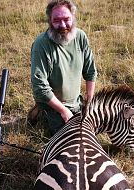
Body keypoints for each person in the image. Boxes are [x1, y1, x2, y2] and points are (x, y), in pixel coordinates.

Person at [28, 0, 97, 135]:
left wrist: (89, 102)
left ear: (73, 17)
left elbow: (90, 72)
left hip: (77, 103)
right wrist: (63, 111)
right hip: (53, 108)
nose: (63, 25)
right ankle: (39, 115)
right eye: (56, 20)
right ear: (49, 20)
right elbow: (39, 87)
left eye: (67, 19)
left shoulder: (80, 36)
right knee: (73, 138)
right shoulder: (41, 44)